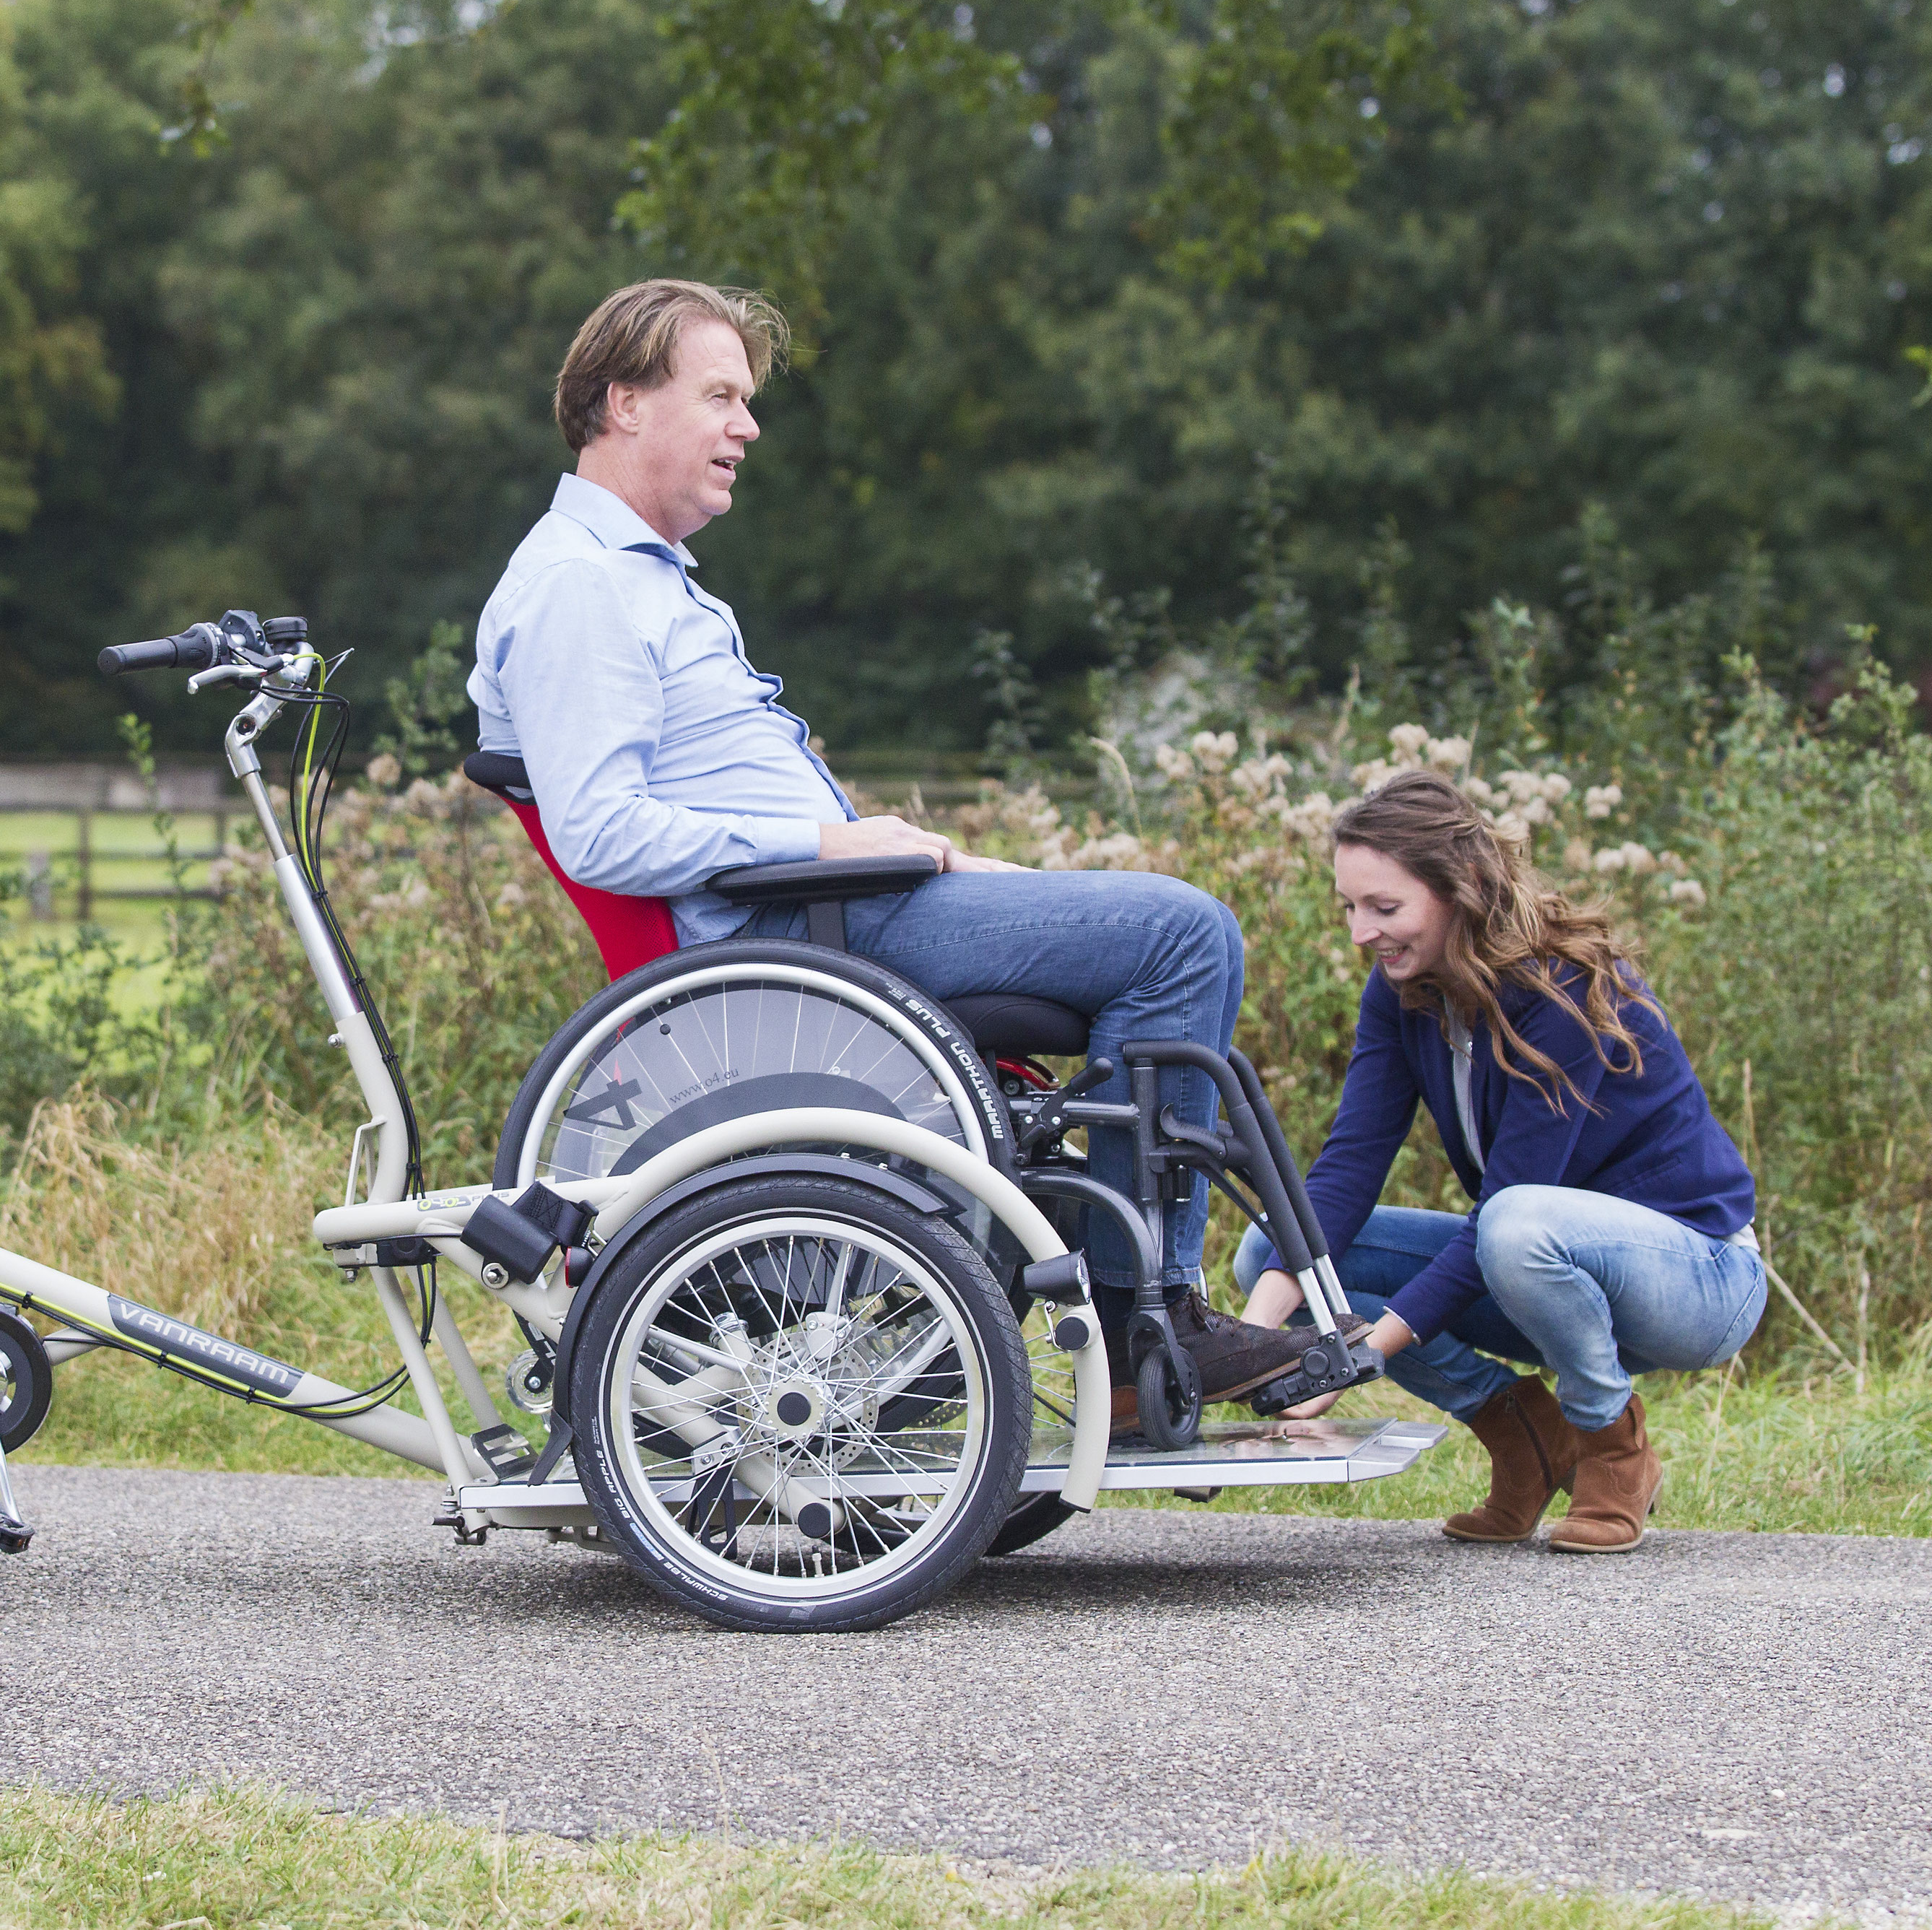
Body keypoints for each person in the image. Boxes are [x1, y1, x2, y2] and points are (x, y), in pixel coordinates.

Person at [469, 277, 1318, 1407]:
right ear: (624, 404)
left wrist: (926, 858)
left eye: (747, 400)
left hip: (829, 905)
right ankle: (1138, 1317)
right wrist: (830, 842)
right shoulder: (583, 589)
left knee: (1161, 940)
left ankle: (1133, 1297)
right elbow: (602, 831)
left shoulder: (639, 580)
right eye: (721, 396)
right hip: (792, 937)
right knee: (1181, 935)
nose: (748, 426)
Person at [1233, 770, 1767, 1552]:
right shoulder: (1402, 991)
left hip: (1699, 1279)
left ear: (1463, 888)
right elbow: (1348, 1167)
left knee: (1513, 1224)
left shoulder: (1566, 991)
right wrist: (1249, 1348)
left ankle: (1610, 1448)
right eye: (1349, 907)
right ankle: (1521, 1434)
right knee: (1268, 1252)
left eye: (1384, 908)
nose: (1359, 932)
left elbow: (1512, 1204)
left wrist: (1351, 1360)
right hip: (1537, 1262)